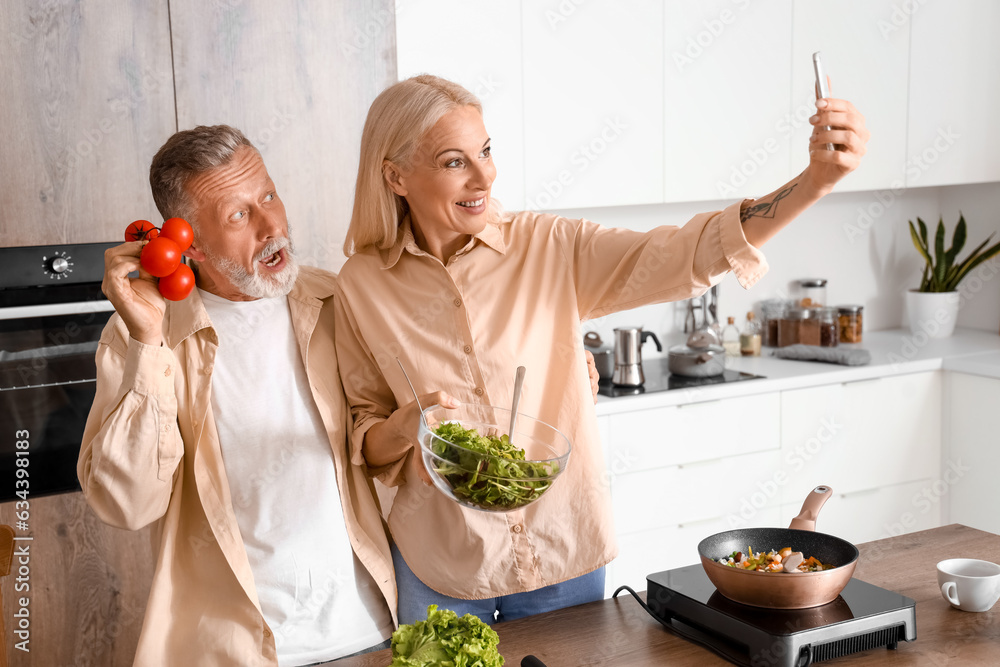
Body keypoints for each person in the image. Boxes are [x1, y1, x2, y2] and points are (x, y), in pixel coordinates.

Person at [333, 74, 870, 625]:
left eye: (486, 152)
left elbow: (680, 254)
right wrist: (409, 428)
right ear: (395, 175)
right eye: (454, 161)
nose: (483, 176)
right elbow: (363, 433)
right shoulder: (359, 285)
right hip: (438, 562)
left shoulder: (547, 247)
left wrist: (814, 183)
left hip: (561, 548)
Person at [78, 125, 397, 665]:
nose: (273, 224)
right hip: (238, 651)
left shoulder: (337, 301)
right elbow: (125, 504)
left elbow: (405, 428)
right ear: (189, 243)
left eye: (268, 195)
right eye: (239, 215)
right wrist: (149, 342)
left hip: (370, 631)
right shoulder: (141, 337)